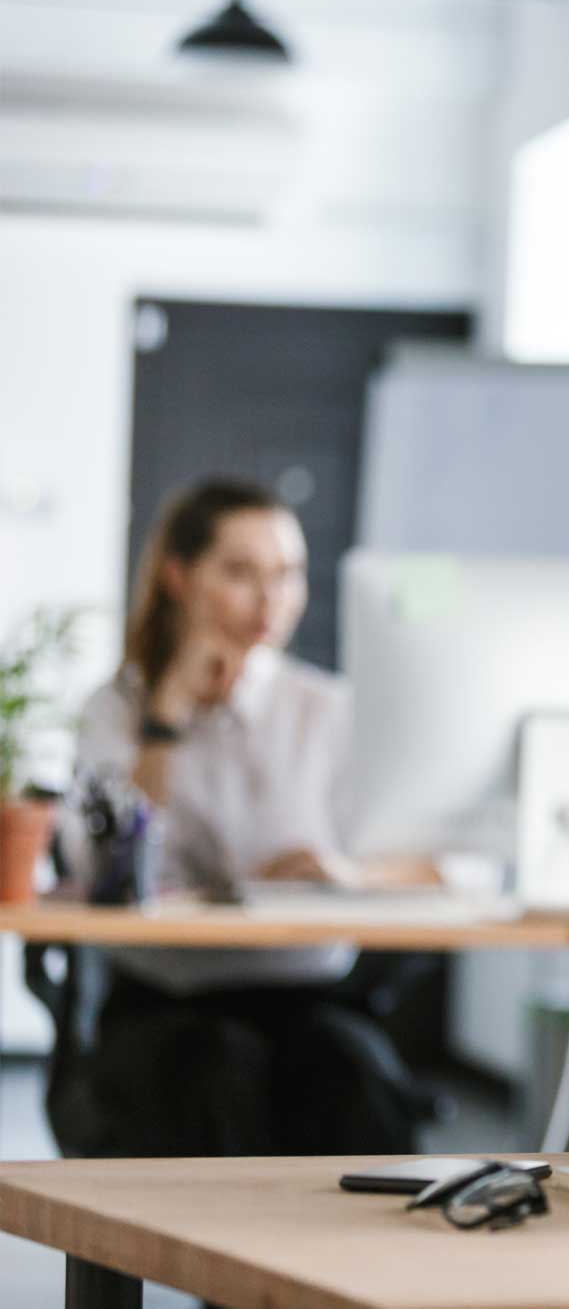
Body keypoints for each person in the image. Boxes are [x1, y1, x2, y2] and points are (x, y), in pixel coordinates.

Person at [59, 478, 435, 1157]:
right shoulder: (117, 710)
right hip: (167, 1002)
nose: (271, 600)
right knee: (213, 1074)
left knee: (357, 1078)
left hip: (310, 997)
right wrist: (165, 718)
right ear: (179, 575)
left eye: (288, 574)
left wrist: (346, 870)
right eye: (240, 572)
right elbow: (105, 869)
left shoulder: (327, 709)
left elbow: (437, 858)